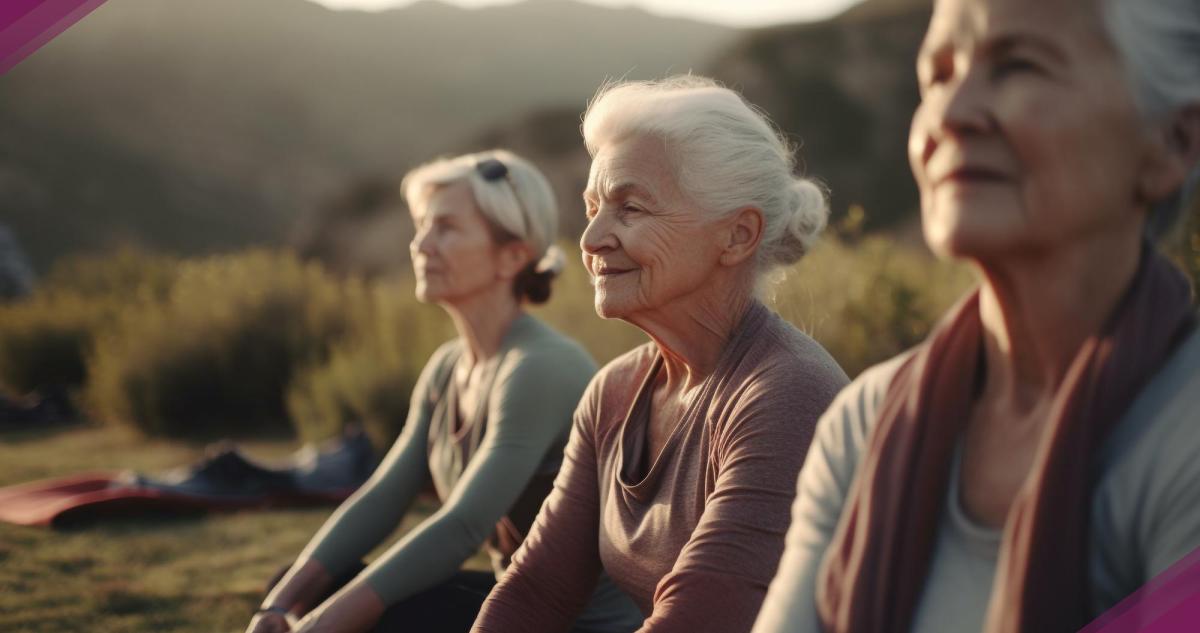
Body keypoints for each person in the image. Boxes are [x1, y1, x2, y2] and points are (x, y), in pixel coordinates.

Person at [752, 0, 1200, 631]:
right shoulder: (865, 423)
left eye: (1018, 65)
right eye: (936, 75)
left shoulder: (1180, 439)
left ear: (1171, 141)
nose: (951, 114)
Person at [472, 76, 850, 633]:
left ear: (737, 236)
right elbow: (536, 591)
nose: (591, 238)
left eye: (630, 209)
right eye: (593, 207)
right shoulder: (615, 392)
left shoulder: (786, 396)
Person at [247, 150, 642, 633]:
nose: (421, 245)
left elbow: (462, 527)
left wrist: (318, 626)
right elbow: (382, 498)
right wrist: (278, 605)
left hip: (580, 624)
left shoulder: (542, 367)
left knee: (396, 617)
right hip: (520, 600)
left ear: (512, 256)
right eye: (421, 227)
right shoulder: (447, 369)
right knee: (303, 583)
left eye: (446, 228)